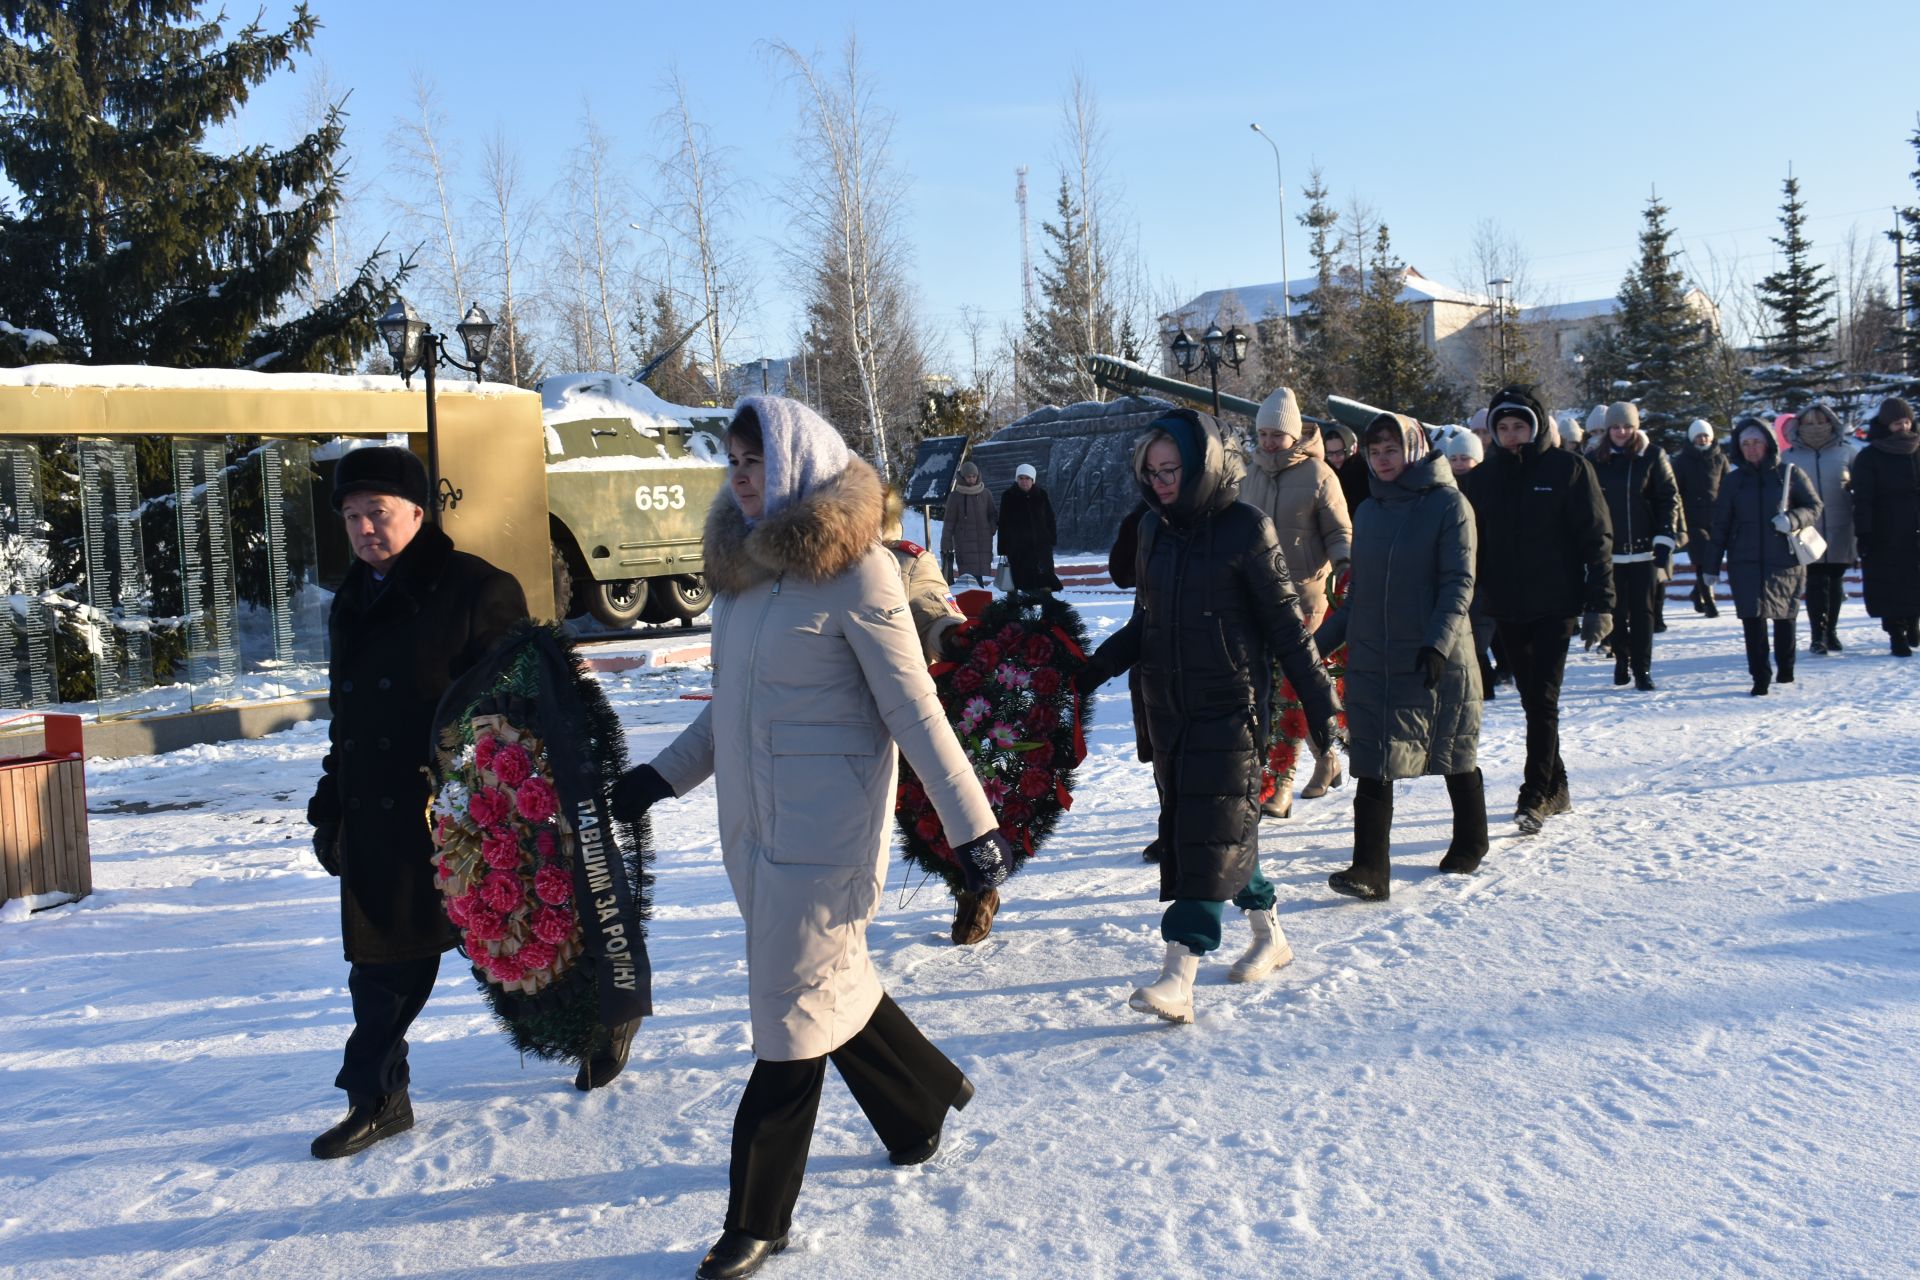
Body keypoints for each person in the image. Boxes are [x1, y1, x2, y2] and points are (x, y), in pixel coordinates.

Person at [607, 397, 1011, 1280]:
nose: (739, 477)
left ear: (794, 464)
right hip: (752, 832)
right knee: (828, 986)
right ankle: (921, 1104)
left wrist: (971, 828)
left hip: (827, 838)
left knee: (787, 1026)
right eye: (733, 463)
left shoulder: (860, 574)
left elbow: (914, 708)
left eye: (754, 461)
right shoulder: (744, 584)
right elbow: (729, 715)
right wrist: (658, 777)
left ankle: (757, 1218)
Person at [305, 446, 534, 1159]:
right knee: (381, 968)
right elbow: (349, 721)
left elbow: (514, 712)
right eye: (352, 516)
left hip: (460, 819)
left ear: (416, 513)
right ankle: (377, 1096)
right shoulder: (352, 599)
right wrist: (331, 803)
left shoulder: (476, 589)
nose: (365, 528)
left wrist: (481, 797)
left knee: (512, 950)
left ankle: (597, 1024)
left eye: (378, 513)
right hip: (378, 817)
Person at [1074, 408, 1339, 1023]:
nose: (1162, 481)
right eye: (1152, 471)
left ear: (1204, 465)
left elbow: (1287, 631)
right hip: (1169, 712)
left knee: (1203, 837)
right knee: (1218, 832)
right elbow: (1147, 624)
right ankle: (1271, 933)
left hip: (1233, 711)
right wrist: (1087, 672)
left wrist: (1325, 710)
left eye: (1173, 469)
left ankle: (1177, 977)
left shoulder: (1248, 528)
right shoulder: (1153, 532)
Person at [1315, 414, 1485, 900]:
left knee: (1449, 744)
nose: (1382, 458)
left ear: (1413, 448)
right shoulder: (1368, 511)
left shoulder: (1449, 505)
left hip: (1433, 651)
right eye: (1375, 450)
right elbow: (1360, 593)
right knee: (1372, 756)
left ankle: (1472, 837)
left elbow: (1459, 583)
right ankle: (1370, 868)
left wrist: (1437, 643)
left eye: (1391, 448)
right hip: (1373, 652)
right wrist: (1317, 646)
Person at [1461, 385, 1613, 834]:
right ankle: (1558, 783)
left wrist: (1600, 604)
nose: (1512, 435)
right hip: (1505, 605)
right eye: (1503, 428)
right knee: (1533, 701)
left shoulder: (1568, 469)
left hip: (1556, 603)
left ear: (1538, 424)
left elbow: (1596, 539)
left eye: (1520, 425)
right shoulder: (1483, 479)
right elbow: (1472, 545)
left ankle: (1534, 794)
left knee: (1543, 700)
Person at [881, 487, 1002, 944]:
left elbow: (933, 608)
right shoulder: (810, 566)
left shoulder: (905, 560)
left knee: (939, 810)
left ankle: (975, 890)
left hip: (912, 711)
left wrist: (951, 637)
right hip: (848, 722)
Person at [1241, 387, 1353, 814]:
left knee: (1290, 691)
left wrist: (1343, 564)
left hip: (1305, 599)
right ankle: (1326, 760)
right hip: (1256, 601)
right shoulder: (1248, 474)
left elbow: (1340, 531)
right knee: (1268, 692)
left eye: (1277, 434)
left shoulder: (1320, 475)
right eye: (1263, 433)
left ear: (1293, 434)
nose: (1269, 442)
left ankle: (1280, 785)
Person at [1703, 417, 1821, 694]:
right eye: (1746, 443)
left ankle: (1786, 668)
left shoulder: (1789, 473)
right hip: (1744, 560)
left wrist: (1793, 519)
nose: (1751, 448)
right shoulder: (1733, 481)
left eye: (1756, 442)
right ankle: (1760, 677)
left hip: (1784, 560)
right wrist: (1711, 565)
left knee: (1784, 616)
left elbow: (1814, 506)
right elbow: (1721, 524)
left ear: (1768, 443)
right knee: (1752, 619)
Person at [1592, 402, 1682, 691]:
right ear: (1608, 429)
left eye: (1627, 426)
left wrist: (1665, 537)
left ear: (1636, 427)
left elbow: (1668, 497)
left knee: (1644, 613)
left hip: (1645, 550)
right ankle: (1621, 659)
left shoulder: (1652, 456)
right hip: (1611, 551)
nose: (1621, 431)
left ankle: (1642, 669)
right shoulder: (1595, 459)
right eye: (1616, 426)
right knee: (1616, 612)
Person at [1781, 402, 1858, 655]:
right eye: (1809, 423)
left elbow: (1862, 488)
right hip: (1806, 530)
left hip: (1841, 526)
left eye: (1821, 422)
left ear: (1831, 423)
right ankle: (1817, 635)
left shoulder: (1847, 452)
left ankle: (1831, 631)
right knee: (1814, 582)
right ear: (1799, 426)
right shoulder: (1789, 457)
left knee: (1835, 582)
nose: (1815, 427)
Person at [1848, 397, 1920, 657]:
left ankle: (1913, 621)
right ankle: (1896, 634)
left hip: (1916, 529)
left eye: (1906, 422)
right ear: (1885, 424)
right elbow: (1863, 497)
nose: (1903, 427)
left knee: (1915, 581)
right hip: (1885, 530)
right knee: (1889, 585)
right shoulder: (1871, 456)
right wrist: (1864, 532)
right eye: (1897, 423)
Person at [1673, 418, 1730, 618]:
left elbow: (1727, 486)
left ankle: (1697, 593)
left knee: (1712, 559)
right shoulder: (1681, 461)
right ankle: (1709, 602)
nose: (1703, 439)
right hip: (1692, 519)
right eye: (1698, 436)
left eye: (1705, 435)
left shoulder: (1720, 459)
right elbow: (1676, 491)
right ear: (1692, 438)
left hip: (1715, 517)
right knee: (1702, 560)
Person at [997, 462, 1060, 591]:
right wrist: (1003, 548)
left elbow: (1050, 518)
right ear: (1017, 479)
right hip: (1018, 550)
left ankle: (1047, 608)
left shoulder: (1041, 495)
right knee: (1018, 584)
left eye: (1027, 478)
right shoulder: (1008, 496)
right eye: (1021, 478)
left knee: (1045, 584)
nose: (1024, 481)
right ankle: (1015, 609)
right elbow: (1003, 523)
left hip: (1041, 549)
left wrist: (1051, 538)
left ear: (1033, 480)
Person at [939, 460, 996, 586]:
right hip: (964, 543)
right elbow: (949, 522)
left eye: (974, 476)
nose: (971, 479)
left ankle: (981, 603)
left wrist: (991, 529)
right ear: (963, 477)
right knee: (969, 579)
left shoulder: (986, 494)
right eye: (968, 476)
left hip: (983, 542)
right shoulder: (955, 496)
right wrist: (946, 543)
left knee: (980, 577)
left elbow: (992, 514)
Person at [1326, 421, 1371, 517]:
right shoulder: (1325, 471)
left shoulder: (1365, 472)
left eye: (1339, 452)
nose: (1334, 458)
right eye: (1330, 453)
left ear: (1352, 448)